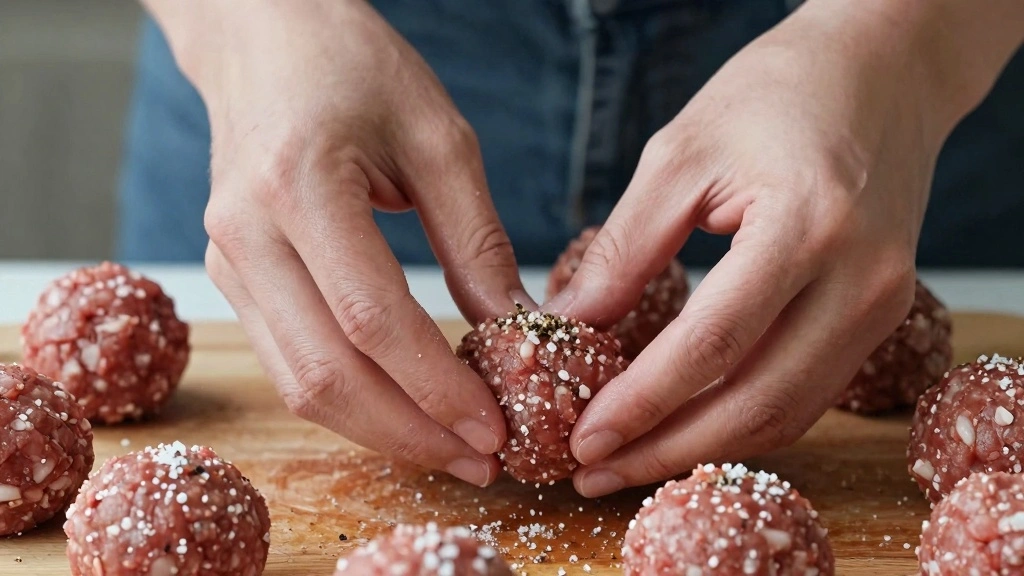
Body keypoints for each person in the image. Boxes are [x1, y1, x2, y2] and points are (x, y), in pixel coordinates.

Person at [125, 0, 1024, 497]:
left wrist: (912, 43)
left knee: (852, 306)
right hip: (317, 70)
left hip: (872, 74)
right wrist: (251, 21)